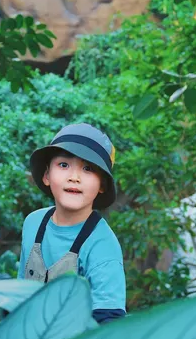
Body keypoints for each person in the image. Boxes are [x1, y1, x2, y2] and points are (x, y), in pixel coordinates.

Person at [18, 123, 126, 324]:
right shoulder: (33, 223)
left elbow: (109, 323)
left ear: (102, 184)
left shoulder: (102, 246)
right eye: (64, 165)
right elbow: (20, 294)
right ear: (47, 175)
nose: (74, 177)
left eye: (88, 168)